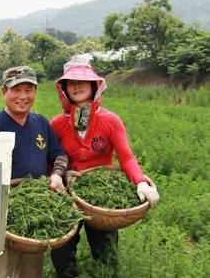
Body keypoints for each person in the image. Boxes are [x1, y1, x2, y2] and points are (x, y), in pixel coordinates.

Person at [50, 59, 160, 277]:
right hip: (66, 193)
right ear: (64, 88)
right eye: (71, 82)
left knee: (105, 248)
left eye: (84, 81)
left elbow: (126, 157)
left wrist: (140, 182)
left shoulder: (110, 120)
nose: (77, 86)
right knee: (63, 250)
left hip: (99, 195)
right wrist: (61, 175)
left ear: (94, 86)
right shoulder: (57, 124)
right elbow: (51, 160)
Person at [0, 65, 68, 278]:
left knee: (31, 271)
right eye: (16, 90)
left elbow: (59, 155)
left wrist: (56, 174)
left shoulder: (41, 123)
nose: (23, 96)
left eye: (29, 90)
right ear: (4, 92)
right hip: (5, 213)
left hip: (35, 210)